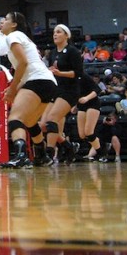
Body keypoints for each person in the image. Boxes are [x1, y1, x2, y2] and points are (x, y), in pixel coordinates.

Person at [0, 11, 59, 169]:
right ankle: (42, 156)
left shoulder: (13, 36)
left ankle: (21, 157)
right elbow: (26, 67)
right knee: (30, 121)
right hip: (48, 83)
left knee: (15, 118)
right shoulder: (23, 38)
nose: (1, 22)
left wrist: (11, 89)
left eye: (5, 19)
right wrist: (15, 88)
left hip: (37, 80)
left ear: (14, 24)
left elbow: (23, 64)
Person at [41, 24, 83, 164]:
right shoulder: (53, 53)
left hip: (70, 91)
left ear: (66, 35)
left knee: (52, 119)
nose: (55, 34)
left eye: (58, 32)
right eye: (54, 32)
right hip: (56, 90)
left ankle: (49, 153)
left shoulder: (73, 51)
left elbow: (78, 74)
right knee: (43, 124)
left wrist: (60, 73)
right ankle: (68, 147)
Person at [76, 71, 102, 160]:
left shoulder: (83, 76)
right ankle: (97, 142)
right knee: (82, 135)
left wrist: (86, 98)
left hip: (92, 103)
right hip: (81, 105)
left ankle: (101, 153)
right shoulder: (69, 80)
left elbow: (97, 90)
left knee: (88, 132)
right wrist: (74, 105)